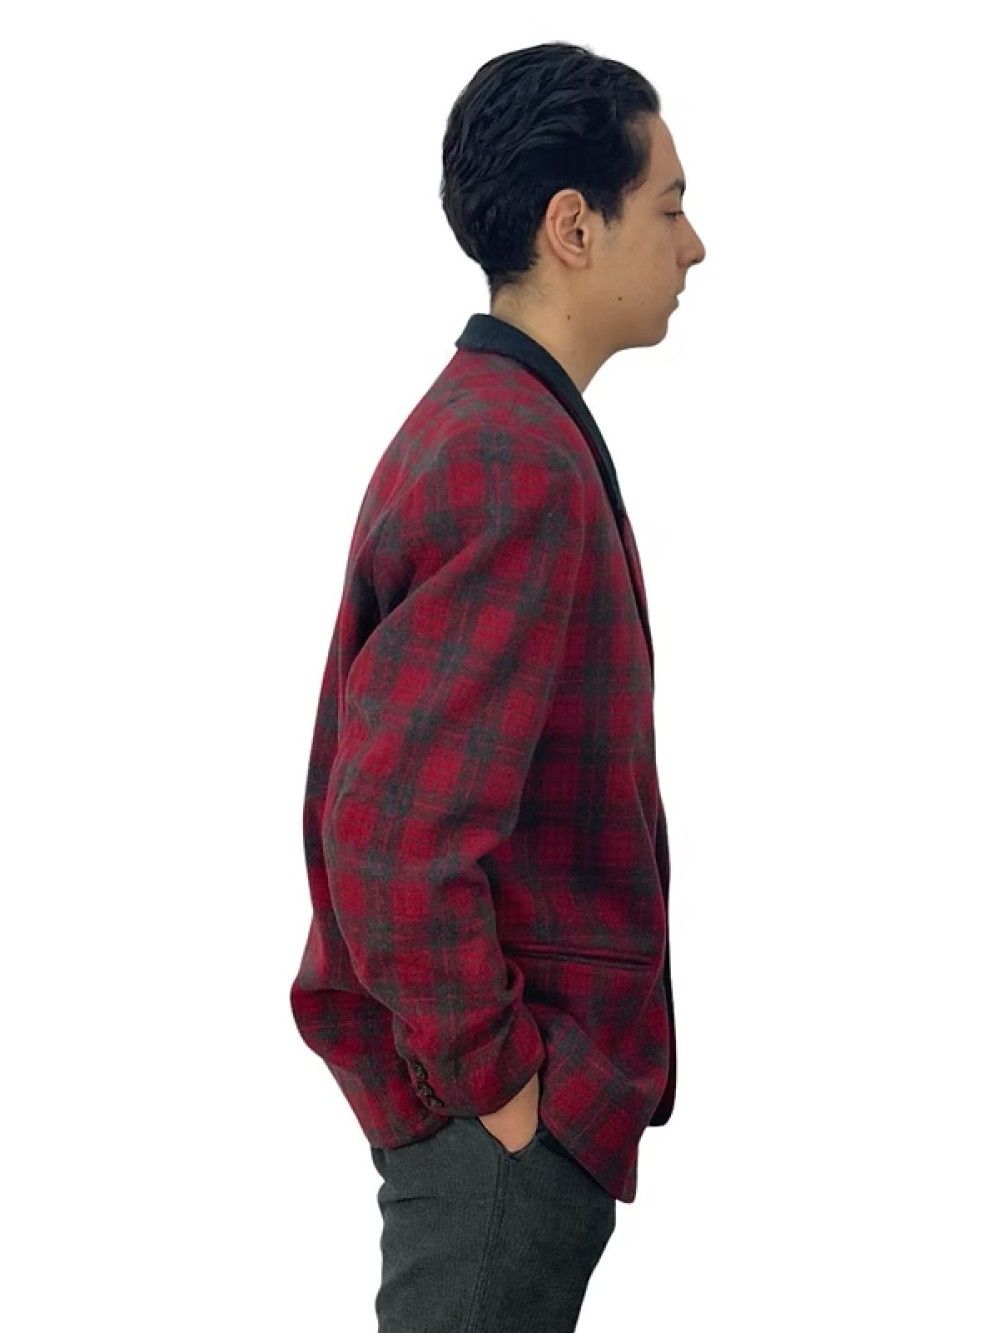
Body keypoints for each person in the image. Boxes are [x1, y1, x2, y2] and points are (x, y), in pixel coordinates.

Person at [289, 39, 706, 1332]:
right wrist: (504, 1090)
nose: (695, 247)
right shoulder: (509, 457)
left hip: (505, 1124)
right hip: (496, 1137)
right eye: (670, 207)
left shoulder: (500, 428)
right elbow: (392, 838)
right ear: (574, 228)